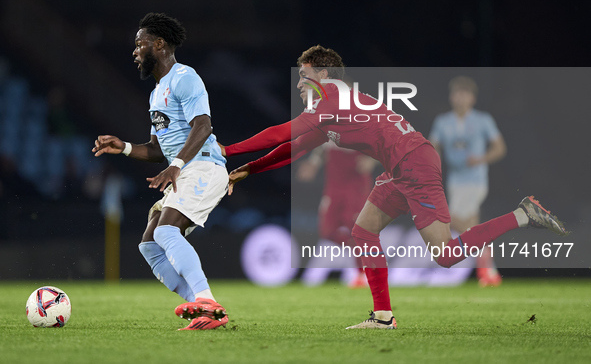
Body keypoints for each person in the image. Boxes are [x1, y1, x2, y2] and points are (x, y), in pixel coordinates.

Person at [220, 45, 568, 330]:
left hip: (415, 165)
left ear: (323, 75)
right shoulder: (335, 106)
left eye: (303, 76)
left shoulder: (334, 100)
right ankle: (383, 317)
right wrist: (248, 169)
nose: (299, 84)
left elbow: (284, 132)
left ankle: (523, 214)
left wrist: (228, 149)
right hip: (400, 167)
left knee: (445, 255)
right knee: (363, 231)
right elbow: (294, 147)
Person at [92, 13, 229, 331]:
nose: (135, 51)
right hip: (184, 169)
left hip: (204, 167)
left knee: (166, 232)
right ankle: (202, 307)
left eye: (139, 44)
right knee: (150, 244)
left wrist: (176, 165)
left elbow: (203, 125)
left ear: (159, 43)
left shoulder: (185, 77)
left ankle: (206, 301)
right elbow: (157, 149)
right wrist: (124, 147)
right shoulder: (156, 93)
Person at [430, 76, 507, 286]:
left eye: (465, 94)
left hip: (475, 179)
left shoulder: (483, 120)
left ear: (472, 98)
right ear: (451, 97)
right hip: (454, 180)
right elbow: (433, 147)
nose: (460, 98)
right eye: (456, 94)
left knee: (450, 218)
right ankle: (488, 271)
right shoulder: (443, 121)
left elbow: (499, 148)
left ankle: (488, 267)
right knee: (470, 225)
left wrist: (481, 159)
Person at [296, 143, 375, 288]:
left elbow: (383, 142)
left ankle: (363, 274)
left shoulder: (364, 120)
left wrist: (372, 159)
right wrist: (314, 163)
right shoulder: (327, 121)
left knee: (356, 229)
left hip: (355, 182)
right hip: (334, 182)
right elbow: (322, 143)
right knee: (327, 230)